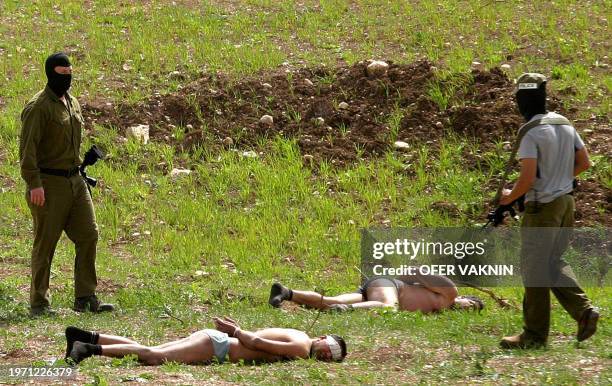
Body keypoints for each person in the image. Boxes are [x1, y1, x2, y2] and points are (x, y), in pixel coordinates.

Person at [498, 73, 599, 349]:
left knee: (534, 270)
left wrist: (508, 198)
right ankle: (584, 311)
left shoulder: (531, 132)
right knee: (552, 261)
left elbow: (528, 178)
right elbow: (585, 162)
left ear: (521, 100)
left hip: (542, 209)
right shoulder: (564, 124)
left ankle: (534, 335)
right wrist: (560, 180)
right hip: (566, 204)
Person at [19, 52, 113, 316]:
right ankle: (39, 302)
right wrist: (34, 183)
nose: (67, 77)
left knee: (88, 234)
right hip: (48, 184)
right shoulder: (38, 107)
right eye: (62, 73)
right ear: (50, 73)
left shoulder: (72, 102)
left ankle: (85, 296)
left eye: (70, 72)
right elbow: (27, 150)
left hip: (75, 180)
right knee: (46, 243)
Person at [65, 319, 347, 365]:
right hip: (218, 345)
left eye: (331, 357)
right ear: (321, 338)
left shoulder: (300, 334)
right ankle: (89, 350)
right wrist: (237, 331)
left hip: (217, 341)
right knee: (153, 356)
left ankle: (86, 336)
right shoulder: (301, 346)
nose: (326, 356)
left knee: (151, 349)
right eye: (329, 349)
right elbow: (260, 342)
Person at [269, 274, 483, 313]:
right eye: (471, 306)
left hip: (381, 290)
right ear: (465, 298)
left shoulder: (442, 310)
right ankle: (346, 310)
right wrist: (392, 281)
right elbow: (417, 271)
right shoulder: (451, 292)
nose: (466, 310)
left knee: (330, 302)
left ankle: (286, 293)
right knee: (389, 307)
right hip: (391, 287)